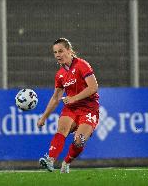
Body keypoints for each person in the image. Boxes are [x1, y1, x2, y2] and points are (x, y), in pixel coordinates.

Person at [37, 38, 100, 173]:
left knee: (79, 141)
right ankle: (50, 160)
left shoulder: (82, 65)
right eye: (55, 52)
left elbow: (93, 87)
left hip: (89, 109)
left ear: (70, 51)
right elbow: (55, 98)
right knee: (62, 130)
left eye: (61, 51)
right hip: (71, 109)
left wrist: (74, 98)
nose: (58, 55)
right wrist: (43, 117)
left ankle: (66, 162)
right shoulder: (60, 74)